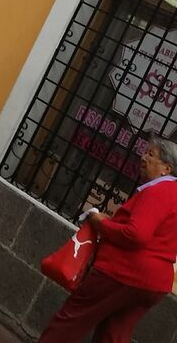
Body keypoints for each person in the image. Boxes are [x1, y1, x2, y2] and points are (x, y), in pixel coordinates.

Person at [38, 135, 177, 342]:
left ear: (166, 168)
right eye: (145, 152)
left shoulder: (157, 192)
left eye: (151, 154)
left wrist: (101, 223)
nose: (143, 157)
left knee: (71, 320)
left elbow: (136, 234)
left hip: (123, 272)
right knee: (114, 334)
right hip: (153, 283)